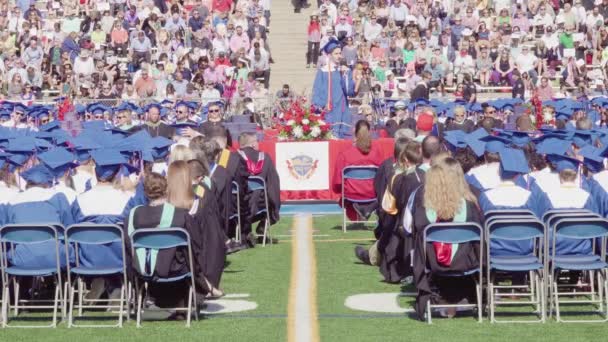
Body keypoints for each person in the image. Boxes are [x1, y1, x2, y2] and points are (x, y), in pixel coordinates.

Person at [411, 156, 482, 319]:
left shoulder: (423, 208)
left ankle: (441, 298)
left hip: (433, 263)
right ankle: (464, 295)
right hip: (466, 263)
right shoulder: (469, 204)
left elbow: (413, 231)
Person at [333, 120, 385, 221]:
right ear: (369, 132)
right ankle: (366, 209)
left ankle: (362, 209)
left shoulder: (345, 154)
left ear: (355, 133)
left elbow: (337, 182)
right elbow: (382, 176)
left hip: (351, 194)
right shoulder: (376, 153)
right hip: (372, 193)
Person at [237, 132, 280, 243]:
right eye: (256, 141)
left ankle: (244, 232)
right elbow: (273, 184)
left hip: (238, 204)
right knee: (271, 199)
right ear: (252, 145)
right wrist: (275, 206)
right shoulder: (265, 158)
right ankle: (262, 228)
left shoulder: (232, 157)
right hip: (260, 204)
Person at [312, 39, 355, 138]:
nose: (339, 56)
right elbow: (316, 92)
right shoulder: (322, 71)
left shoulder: (345, 71)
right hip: (329, 111)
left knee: (344, 138)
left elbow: (349, 92)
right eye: (336, 54)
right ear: (329, 55)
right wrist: (322, 105)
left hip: (343, 111)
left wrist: (345, 75)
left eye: (340, 53)